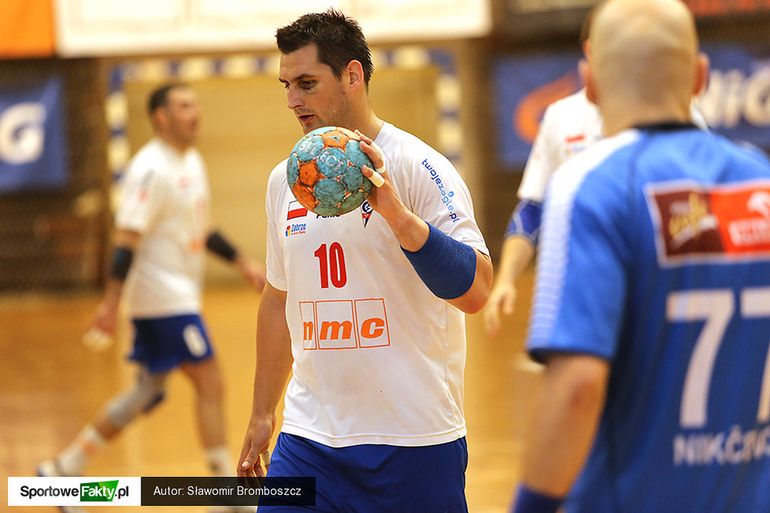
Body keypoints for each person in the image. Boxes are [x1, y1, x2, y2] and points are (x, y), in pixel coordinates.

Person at [510, 1, 770, 513]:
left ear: (591, 83)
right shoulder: (760, 180)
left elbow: (578, 386)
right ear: (700, 76)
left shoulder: (591, 186)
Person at [236, 9, 492, 513]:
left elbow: (477, 291)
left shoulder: (419, 167)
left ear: (352, 76)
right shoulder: (284, 181)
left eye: (307, 84)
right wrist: (263, 412)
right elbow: (278, 298)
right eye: (286, 85)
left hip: (413, 440)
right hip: (310, 439)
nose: (292, 100)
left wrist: (400, 219)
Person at [38, 83, 265, 513]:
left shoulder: (191, 161)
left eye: (195, 105)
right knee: (210, 380)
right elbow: (126, 240)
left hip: (177, 297)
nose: (195, 113)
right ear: (161, 117)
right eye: (184, 106)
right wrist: (110, 304)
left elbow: (202, 230)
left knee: (146, 391)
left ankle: (62, 469)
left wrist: (243, 263)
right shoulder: (149, 168)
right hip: (162, 300)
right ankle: (227, 493)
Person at [482, 8, 708, 337]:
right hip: (581, 287)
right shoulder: (560, 117)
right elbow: (533, 210)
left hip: (656, 287)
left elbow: (700, 206)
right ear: (591, 52)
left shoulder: (681, 116)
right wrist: (506, 280)